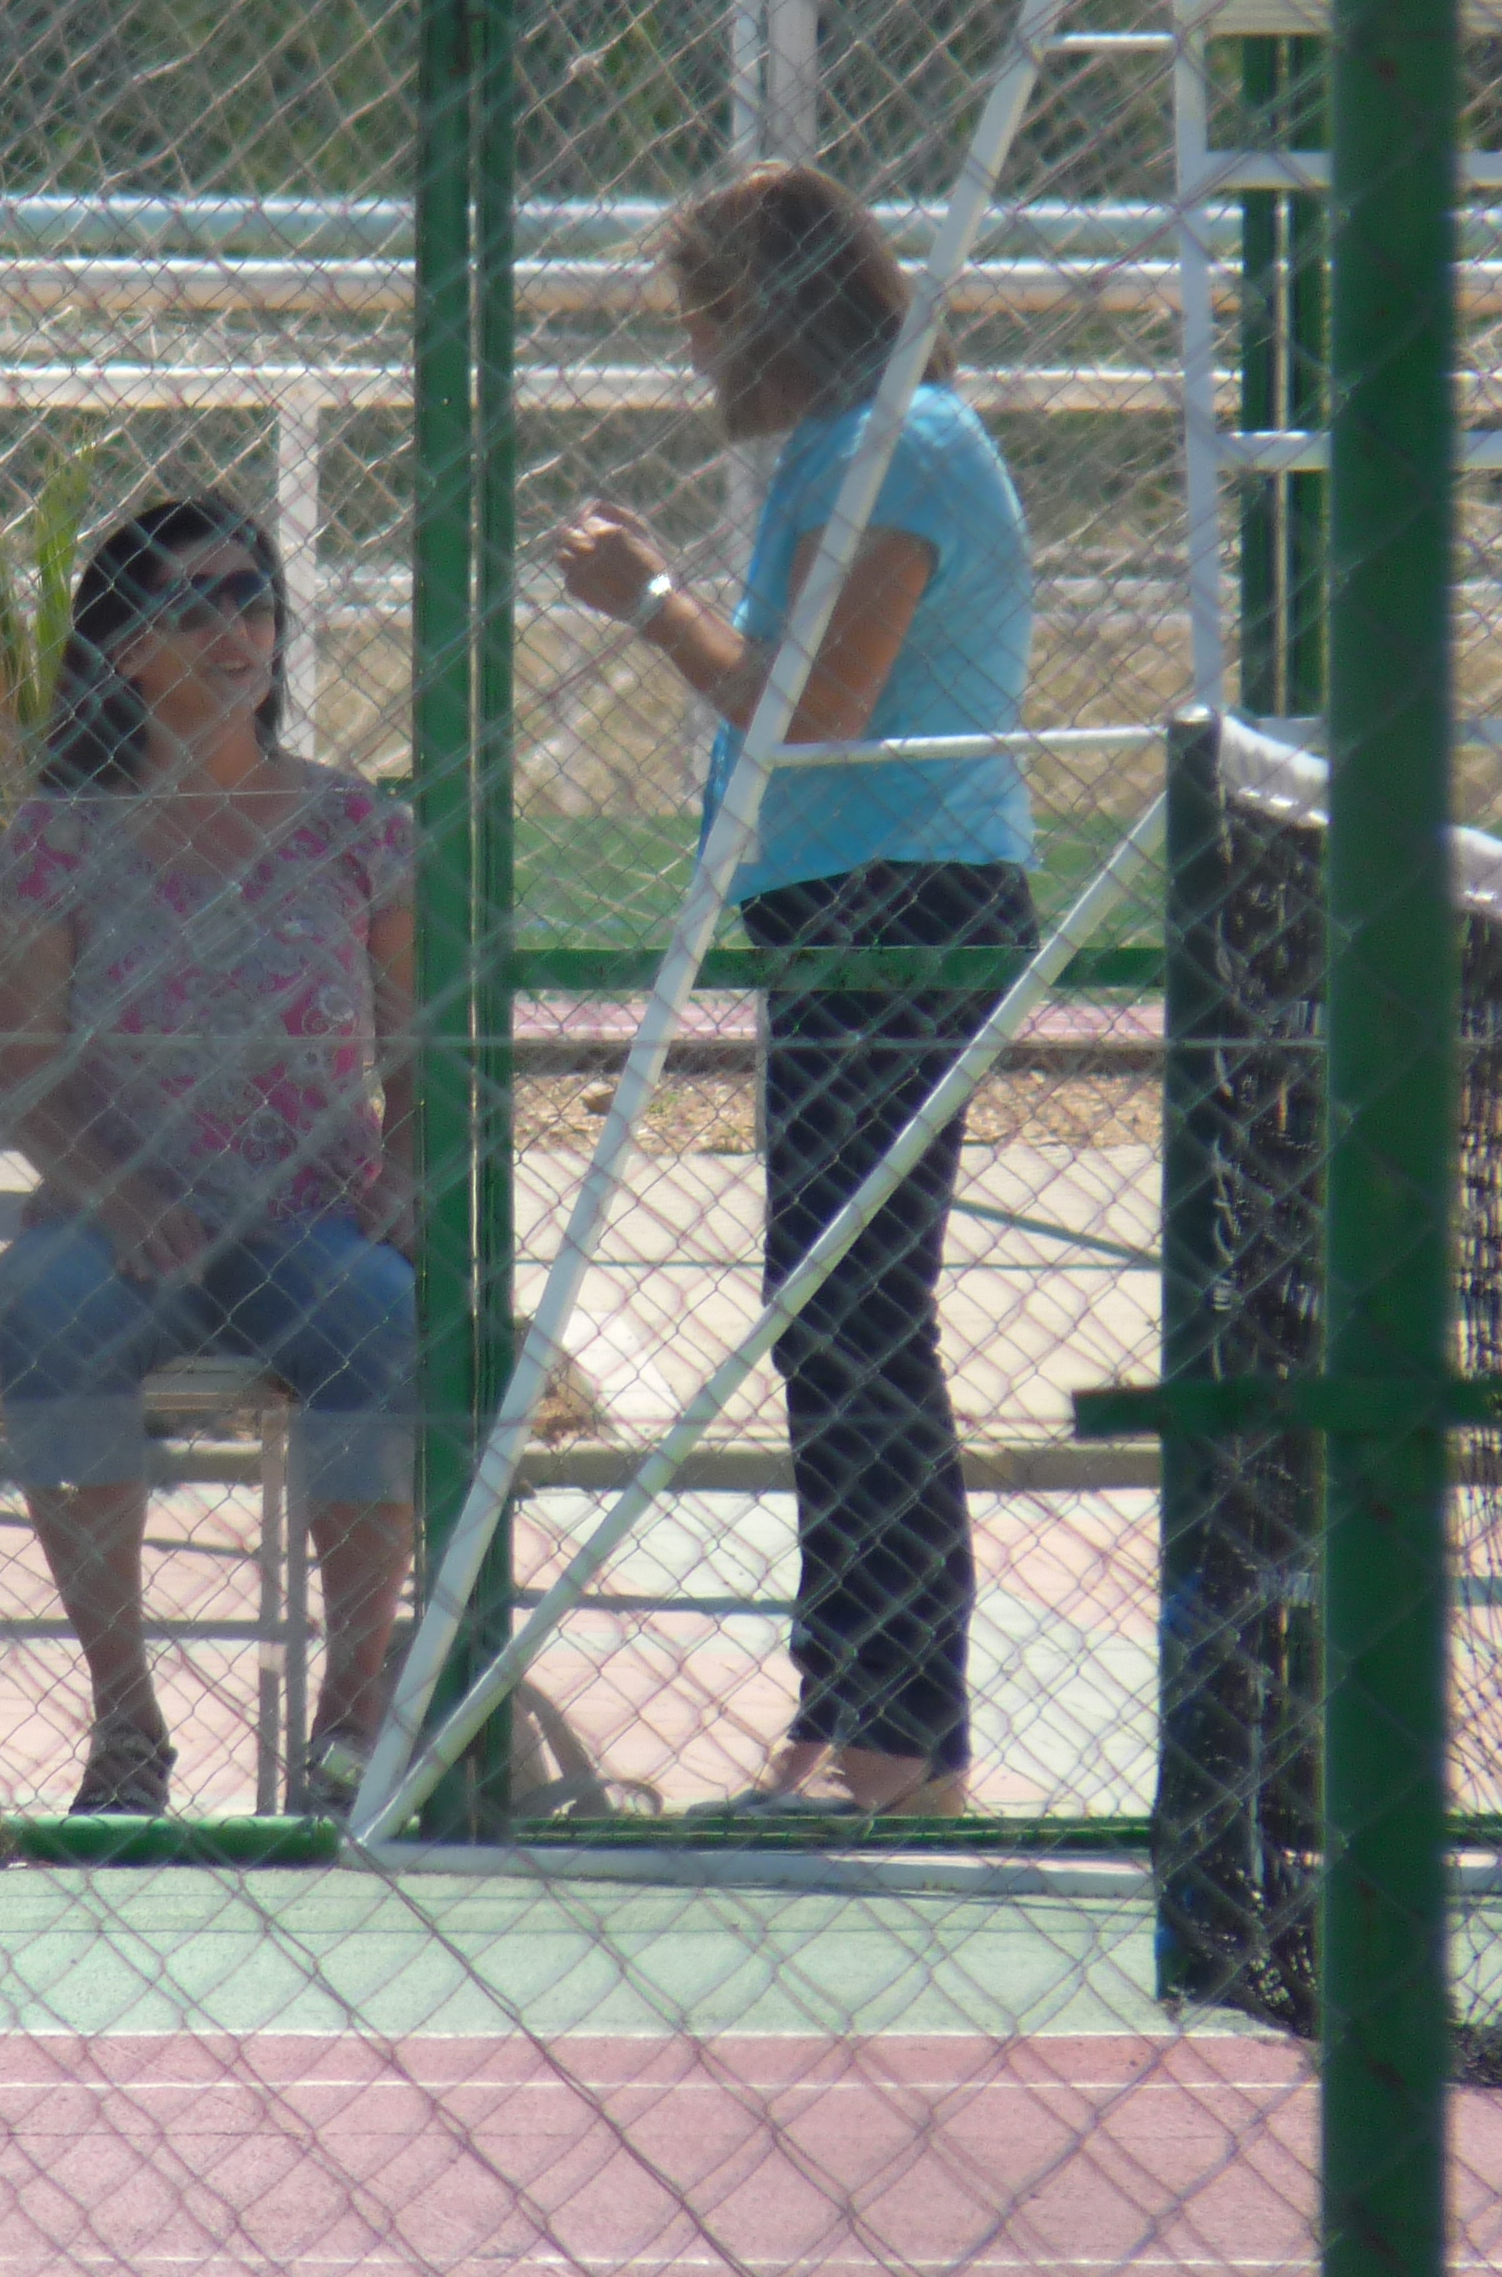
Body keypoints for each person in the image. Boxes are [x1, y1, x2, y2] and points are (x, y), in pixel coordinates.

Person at [550, 161, 1036, 1819]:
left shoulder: (902, 445)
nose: (693, 352)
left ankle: (901, 1739)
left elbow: (816, 709)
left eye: (702, 315)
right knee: (826, 1307)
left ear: (771, 308)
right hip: (837, 912)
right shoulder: (840, 451)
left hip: (910, 910)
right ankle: (847, 1719)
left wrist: (650, 602)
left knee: (854, 1307)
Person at [0, 495, 420, 1818]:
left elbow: (423, 1051)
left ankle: (351, 1719)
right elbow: (26, 1079)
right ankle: (127, 1726)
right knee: (41, 1313)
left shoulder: (355, 827)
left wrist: (408, 1173)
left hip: (312, 1217)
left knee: (387, 1320)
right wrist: (120, 1196)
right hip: (121, 1226)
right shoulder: (59, 835)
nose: (236, 627)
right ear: (124, 649)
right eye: (193, 604)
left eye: (253, 598)